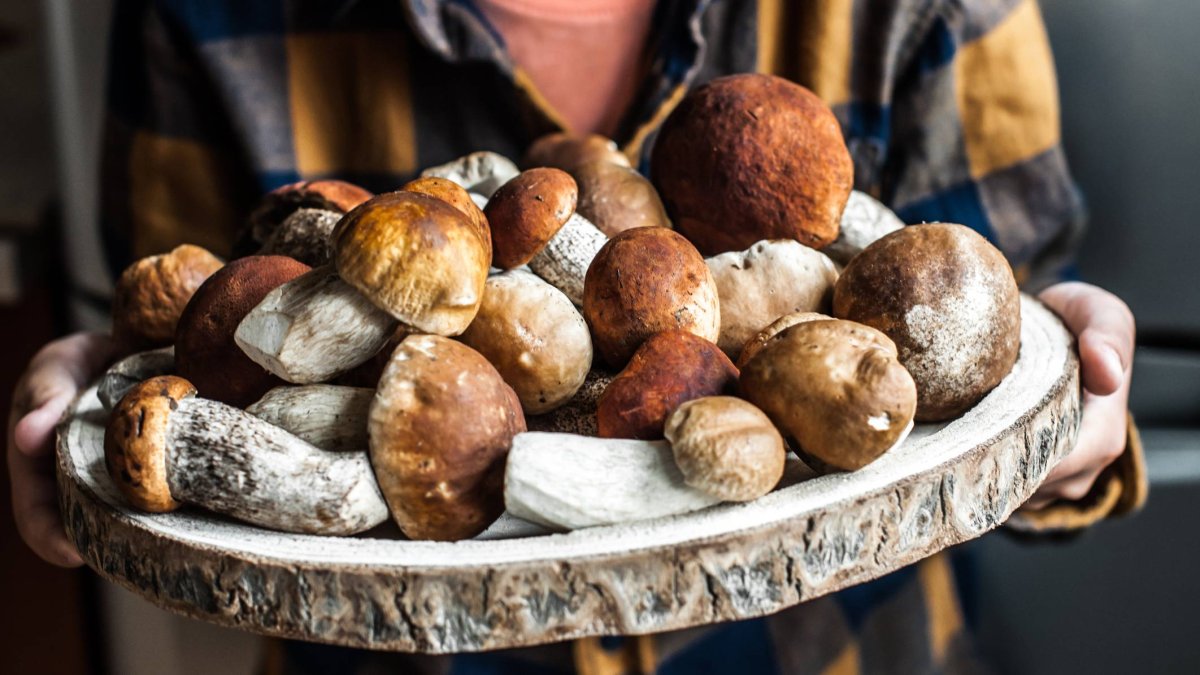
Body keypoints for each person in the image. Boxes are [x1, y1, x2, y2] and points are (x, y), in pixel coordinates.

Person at [8, 0, 1144, 673]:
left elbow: (999, 352)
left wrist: (1066, 435)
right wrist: (95, 406)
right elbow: (182, 328)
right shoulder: (203, 15)